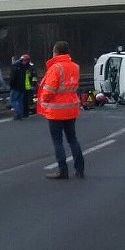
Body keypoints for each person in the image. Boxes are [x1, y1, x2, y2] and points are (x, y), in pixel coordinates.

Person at [38, 41, 85, 180]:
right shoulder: (75, 67)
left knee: (57, 142)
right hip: (71, 108)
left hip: (56, 111)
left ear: (56, 52)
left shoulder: (55, 68)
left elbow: (49, 90)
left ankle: (62, 170)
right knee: (72, 139)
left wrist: (43, 100)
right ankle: (80, 169)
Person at [9, 54, 28, 119]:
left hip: (15, 86)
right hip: (22, 86)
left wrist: (11, 84)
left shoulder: (14, 66)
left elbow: (12, 77)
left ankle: (18, 113)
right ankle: (21, 113)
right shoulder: (23, 66)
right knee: (20, 100)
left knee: (12, 100)